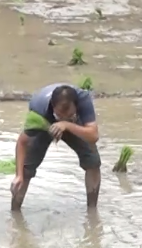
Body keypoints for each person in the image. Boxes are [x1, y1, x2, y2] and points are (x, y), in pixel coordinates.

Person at [11, 83, 101, 211]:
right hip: (46, 123)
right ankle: (15, 212)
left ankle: (92, 211)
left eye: (68, 113)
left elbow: (94, 136)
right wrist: (18, 175)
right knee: (26, 170)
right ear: (53, 107)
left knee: (93, 161)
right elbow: (22, 142)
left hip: (73, 125)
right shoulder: (39, 109)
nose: (64, 116)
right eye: (60, 114)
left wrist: (67, 123)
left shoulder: (83, 100)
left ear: (76, 106)